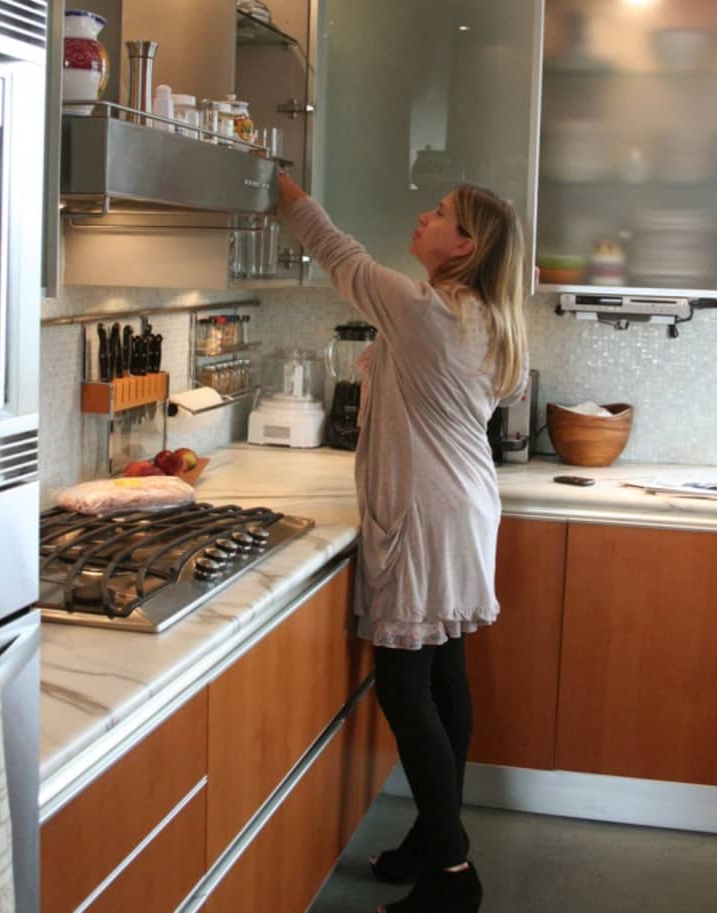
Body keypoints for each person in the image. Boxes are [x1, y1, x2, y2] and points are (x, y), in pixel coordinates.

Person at [277, 171, 529, 913]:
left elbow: (336, 251)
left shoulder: (424, 311)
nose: (423, 215)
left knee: (403, 684)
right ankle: (433, 834)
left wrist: (278, 187)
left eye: (440, 213)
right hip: (463, 510)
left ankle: (452, 872)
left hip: (425, 515)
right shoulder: (482, 315)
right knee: (443, 672)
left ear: (465, 244)